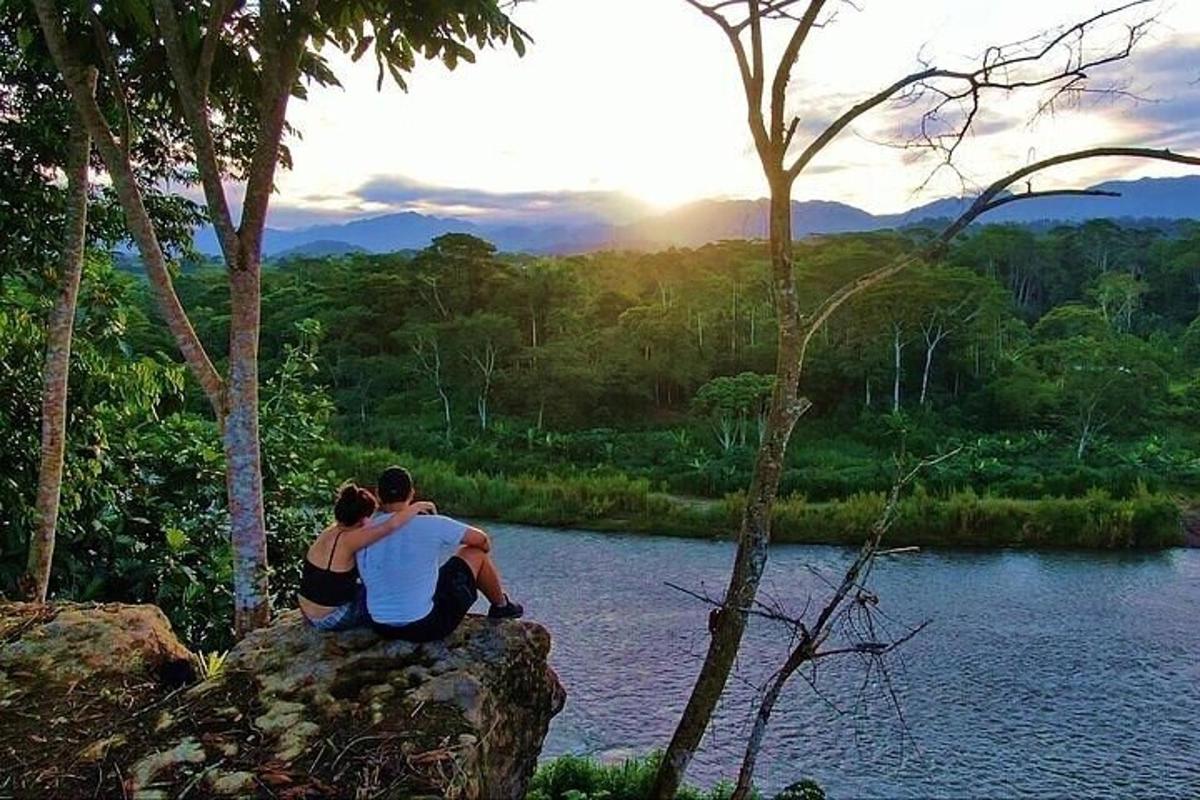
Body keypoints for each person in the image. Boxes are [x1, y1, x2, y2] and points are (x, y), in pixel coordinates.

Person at [358, 466, 523, 642]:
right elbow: (482, 541)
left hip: (380, 626)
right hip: (424, 626)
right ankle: (501, 605)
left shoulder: (364, 532)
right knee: (474, 553)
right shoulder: (432, 523)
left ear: (377, 494)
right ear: (411, 493)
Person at [298, 482, 435, 631]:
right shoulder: (350, 539)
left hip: (306, 610)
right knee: (380, 589)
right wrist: (416, 507)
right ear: (363, 519)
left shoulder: (328, 533)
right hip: (331, 618)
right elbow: (391, 525)